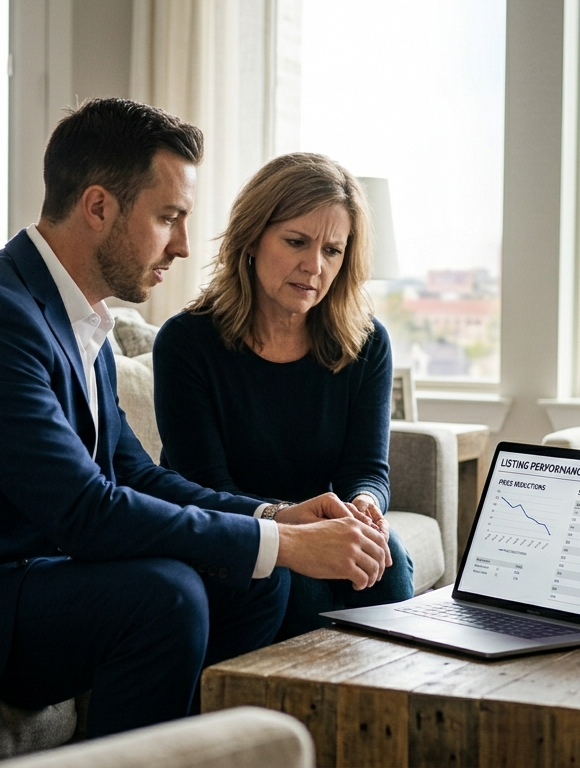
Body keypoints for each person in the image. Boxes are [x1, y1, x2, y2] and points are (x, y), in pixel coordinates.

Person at [0, 99, 392, 738]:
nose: (182, 245)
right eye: (168, 218)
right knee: (166, 597)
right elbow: (85, 510)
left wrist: (273, 517)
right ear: (98, 207)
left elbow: (136, 476)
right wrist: (287, 545)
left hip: (14, 574)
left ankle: (212, 748)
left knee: (251, 581)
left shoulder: (81, 320)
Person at [154, 153, 414, 640]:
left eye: (332, 250)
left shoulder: (367, 342)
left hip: (324, 525)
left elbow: (367, 469)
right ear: (253, 238)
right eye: (296, 242)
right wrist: (298, 528)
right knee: (300, 586)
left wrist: (364, 504)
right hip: (237, 534)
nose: (314, 266)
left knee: (389, 557)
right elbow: (206, 485)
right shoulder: (186, 342)